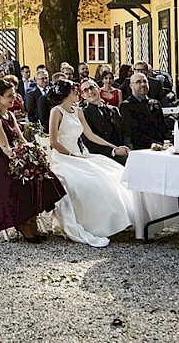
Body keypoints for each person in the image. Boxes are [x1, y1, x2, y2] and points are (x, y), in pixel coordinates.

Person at [47, 79, 135, 247]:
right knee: (92, 180)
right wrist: (72, 155)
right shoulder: (56, 112)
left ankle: (120, 218)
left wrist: (114, 147)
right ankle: (97, 224)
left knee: (111, 171)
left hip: (80, 155)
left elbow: (91, 135)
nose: (78, 93)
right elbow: (53, 142)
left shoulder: (78, 111)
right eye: (75, 91)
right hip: (63, 158)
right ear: (66, 94)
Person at [0, 78, 65, 242]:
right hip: (0, 162)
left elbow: (21, 140)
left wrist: (34, 152)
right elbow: (5, 148)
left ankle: (31, 218)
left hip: (15, 157)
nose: (14, 98)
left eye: (14, 94)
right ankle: (23, 221)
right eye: (9, 95)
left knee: (44, 176)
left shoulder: (10, 114)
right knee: (26, 178)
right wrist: (25, 161)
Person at [79, 79, 129, 165]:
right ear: (83, 96)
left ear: (98, 89)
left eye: (92, 87)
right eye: (86, 90)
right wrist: (114, 151)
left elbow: (125, 132)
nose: (90, 91)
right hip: (103, 157)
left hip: (124, 152)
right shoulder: (84, 114)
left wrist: (128, 149)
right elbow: (88, 142)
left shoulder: (114, 110)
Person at [118, 72, 170, 150]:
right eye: (138, 82)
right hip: (141, 147)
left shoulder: (155, 104)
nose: (143, 84)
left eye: (145, 81)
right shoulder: (127, 106)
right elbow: (132, 133)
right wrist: (153, 143)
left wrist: (168, 141)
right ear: (131, 86)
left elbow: (163, 127)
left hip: (161, 146)